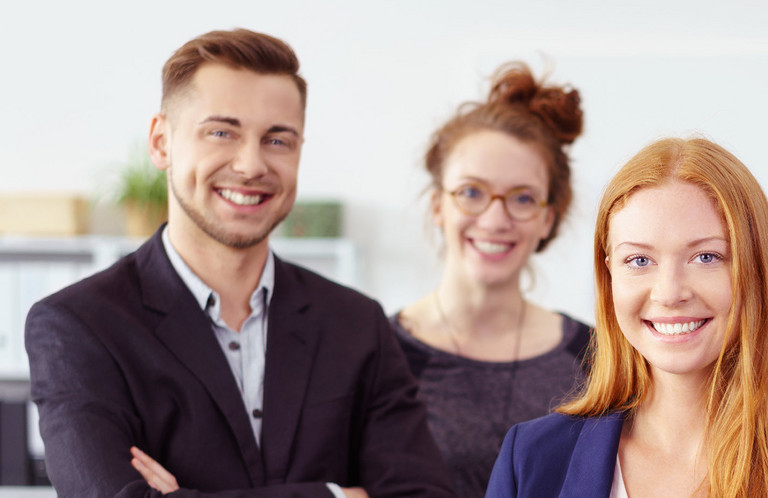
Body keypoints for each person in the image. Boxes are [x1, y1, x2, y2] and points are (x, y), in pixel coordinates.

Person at [24, 29, 454, 498]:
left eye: (277, 140)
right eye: (222, 132)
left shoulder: (356, 323)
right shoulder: (78, 325)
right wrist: (335, 496)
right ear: (161, 143)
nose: (251, 165)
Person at [485, 138, 768, 497]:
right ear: (609, 276)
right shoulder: (531, 460)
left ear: (757, 271)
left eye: (706, 257)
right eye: (639, 260)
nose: (670, 292)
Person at [390, 62, 592, 497]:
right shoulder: (379, 356)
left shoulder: (596, 359)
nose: (495, 219)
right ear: (438, 206)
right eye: (472, 193)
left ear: (547, 219)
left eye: (522, 197)